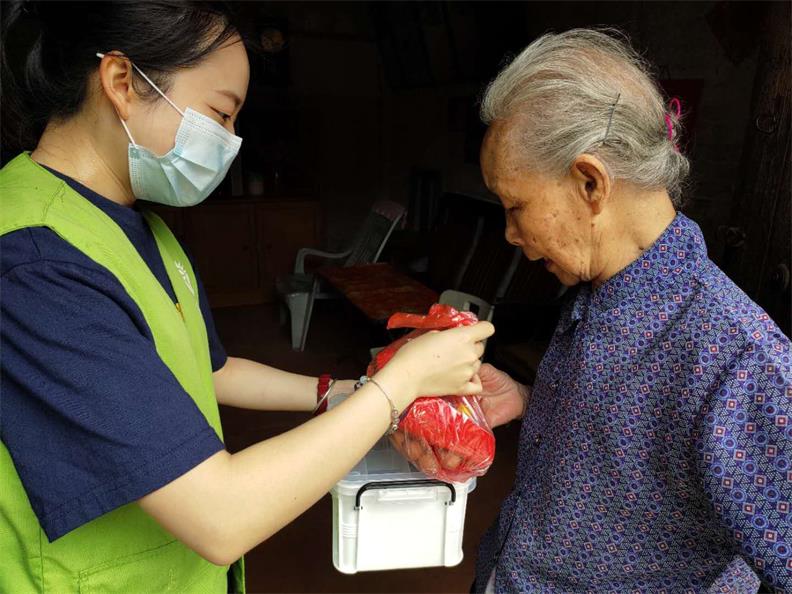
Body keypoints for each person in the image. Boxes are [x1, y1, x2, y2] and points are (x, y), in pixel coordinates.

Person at [0, 2, 494, 592]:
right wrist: (399, 386)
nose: (231, 142)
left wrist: (345, 393)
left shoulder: (143, 230)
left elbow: (208, 370)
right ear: (122, 82)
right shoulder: (34, 262)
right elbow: (221, 515)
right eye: (221, 113)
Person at [401, 28, 790, 593]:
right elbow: (645, 459)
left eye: (516, 206)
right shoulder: (599, 292)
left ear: (590, 183)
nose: (509, 233)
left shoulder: (742, 365)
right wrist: (530, 402)